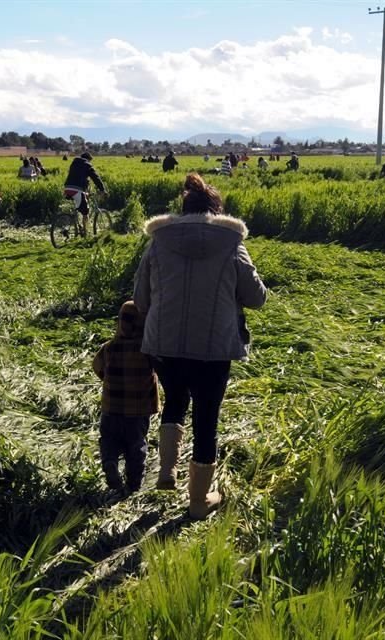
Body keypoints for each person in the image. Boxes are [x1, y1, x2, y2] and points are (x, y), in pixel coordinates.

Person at [133, 173, 267, 519]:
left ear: (184, 207)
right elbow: (256, 299)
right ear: (215, 209)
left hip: (163, 344)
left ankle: (166, 472)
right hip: (213, 348)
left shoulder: (159, 241)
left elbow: (140, 298)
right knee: (207, 417)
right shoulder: (231, 242)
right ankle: (197, 501)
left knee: (175, 399)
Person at [92, 301, 160, 495]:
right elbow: (161, 369)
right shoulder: (148, 350)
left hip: (111, 408)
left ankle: (110, 462)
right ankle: (134, 483)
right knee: (136, 444)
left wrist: (107, 378)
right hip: (138, 411)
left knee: (109, 439)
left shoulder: (109, 347)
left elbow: (97, 366)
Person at [63, 152, 106, 234]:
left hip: (67, 188)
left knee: (81, 203)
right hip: (76, 190)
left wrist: (86, 190)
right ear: (88, 159)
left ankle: (78, 225)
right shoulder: (87, 165)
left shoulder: (74, 163)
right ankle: (85, 233)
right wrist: (102, 189)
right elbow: (96, 178)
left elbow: (79, 178)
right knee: (85, 212)